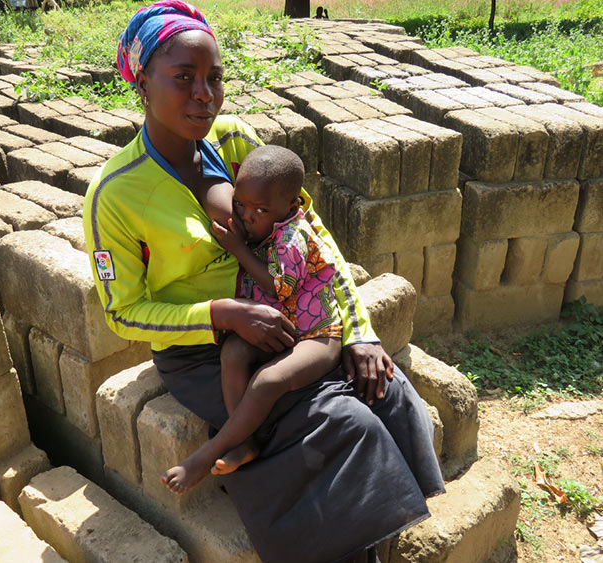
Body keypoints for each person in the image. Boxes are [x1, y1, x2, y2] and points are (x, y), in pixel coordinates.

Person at [83, 2, 445, 562]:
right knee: (336, 419)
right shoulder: (116, 194)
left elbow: (309, 235)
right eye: (184, 78)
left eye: (213, 78)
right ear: (142, 83)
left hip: (288, 319)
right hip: (204, 351)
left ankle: (379, 531)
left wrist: (358, 330)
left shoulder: (233, 142)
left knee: (384, 389)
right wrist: (222, 315)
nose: (204, 94)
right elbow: (124, 310)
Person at [161, 145, 344, 494]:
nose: (247, 216)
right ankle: (243, 440)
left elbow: (279, 289)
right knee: (232, 352)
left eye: (260, 210)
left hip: (317, 336)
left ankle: (206, 454)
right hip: (283, 329)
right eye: (240, 205)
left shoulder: (292, 238)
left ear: (291, 208)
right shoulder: (263, 228)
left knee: (266, 381)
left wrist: (238, 249)